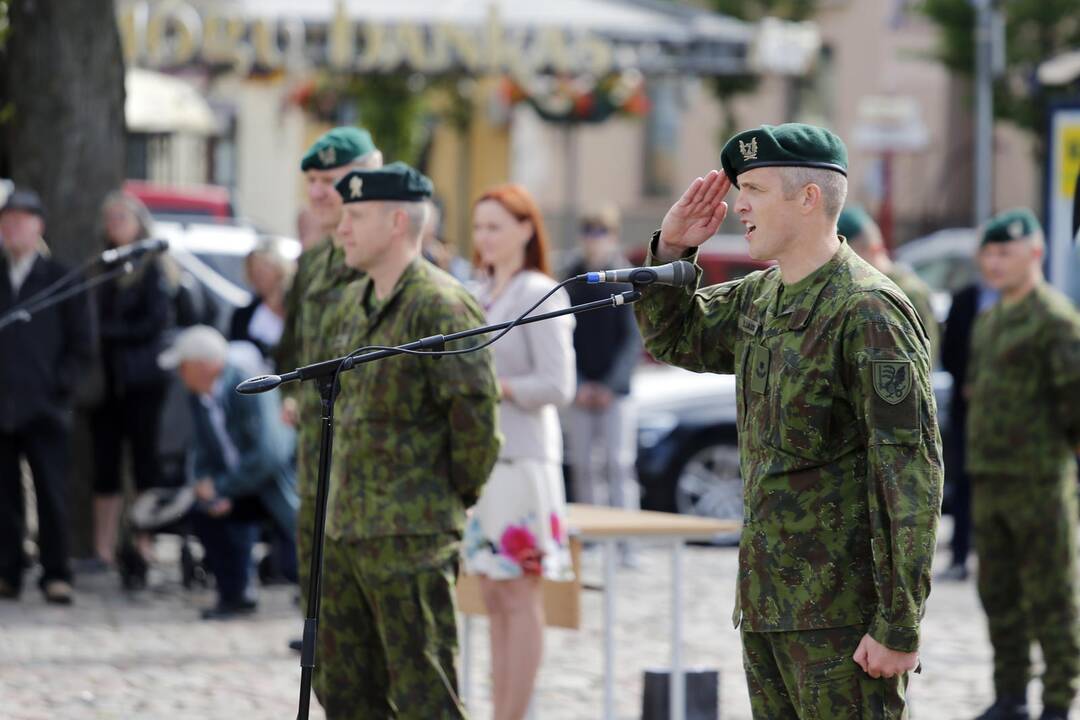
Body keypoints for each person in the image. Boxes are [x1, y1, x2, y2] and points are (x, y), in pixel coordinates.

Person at [634, 123, 942, 718]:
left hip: (842, 619)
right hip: (769, 606)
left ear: (808, 198)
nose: (738, 205)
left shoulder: (867, 310)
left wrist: (899, 623)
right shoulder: (762, 297)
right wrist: (672, 250)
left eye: (754, 189)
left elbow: (909, 473)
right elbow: (677, 336)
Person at [314, 162, 500, 718]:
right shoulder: (351, 305)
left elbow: (475, 422)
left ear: (397, 222)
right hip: (346, 530)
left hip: (411, 534)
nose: (341, 229)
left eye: (356, 217)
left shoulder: (441, 305)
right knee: (344, 693)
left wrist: (447, 501)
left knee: (425, 694)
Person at [462, 184, 576, 720]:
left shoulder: (541, 290)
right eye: (479, 226)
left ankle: (513, 713)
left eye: (496, 226)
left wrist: (496, 387)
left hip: (524, 461)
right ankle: (499, 709)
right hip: (482, 463)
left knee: (519, 596)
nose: (484, 237)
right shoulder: (477, 291)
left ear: (526, 229)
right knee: (490, 592)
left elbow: (558, 385)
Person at [966, 209, 1080, 720]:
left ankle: (1059, 698)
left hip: (1039, 481)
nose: (994, 263)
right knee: (999, 595)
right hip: (990, 479)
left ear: (1034, 254)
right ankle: (1010, 694)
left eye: (1004, 252)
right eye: (988, 253)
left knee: (1051, 597)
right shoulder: (989, 321)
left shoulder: (1055, 320)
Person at [273, 126, 381, 651]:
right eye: (311, 181)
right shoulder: (312, 263)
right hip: (317, 457)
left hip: (372, 462)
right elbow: (291, 352)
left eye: (330, 180)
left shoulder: (389, 259)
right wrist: (292, 396)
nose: (317, 192)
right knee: (319, 597)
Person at [157, 325, 298, 619]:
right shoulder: (198, 396)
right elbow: (200, 449)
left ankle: (316, 616)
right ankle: (235, 594)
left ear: (204, 366)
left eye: (183, 367)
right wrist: (204, 486)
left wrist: (223, 487)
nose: (180, 375)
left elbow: (269, 454)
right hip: (237, 485)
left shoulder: (250, 386)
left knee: (294, 561)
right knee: (203, 512)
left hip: (275, 488)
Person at [0, 188, 92, 604]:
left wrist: (60, 388)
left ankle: (57, 572)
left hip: (45, 405)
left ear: (38, 226)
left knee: (52, 492)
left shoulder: (62, 277)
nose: (12, 228)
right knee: (4, 495)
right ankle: (8, 570)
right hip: (3, 404)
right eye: (7, 220)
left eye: (21, 220)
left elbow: (82, 342)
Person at [88, 191, 173, 579]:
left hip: (141, 381)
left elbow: (153, 323)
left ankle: (144, 542)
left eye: (122, 217)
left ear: (138, 222)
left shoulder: (152, 266)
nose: (115, 225)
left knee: (144, 464)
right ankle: (102, 547)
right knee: (104, 465)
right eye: (110, 219)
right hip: (106, 383)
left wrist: (108, 333)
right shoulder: (104, 268)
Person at [560, 206, 642, 539]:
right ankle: (590, 537)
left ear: (614, 236)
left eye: (601, 232)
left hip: (616, 393)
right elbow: (563, 336)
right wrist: (578, 383)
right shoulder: (572, 278)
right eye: (588, 232)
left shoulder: (625, 277)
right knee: (584, 467)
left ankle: (626, 540)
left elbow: (632, 341)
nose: (594, 240)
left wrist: (610, 385)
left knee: (619, 465)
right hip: (580, 390)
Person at [938, 249, 998, 582]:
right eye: (991, 254)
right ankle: (961, 557)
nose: (996, 263)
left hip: (1010, 420)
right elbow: (949, 352)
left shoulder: (1024, 303)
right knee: (963, 483)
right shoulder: (964, 300)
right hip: (968, 411)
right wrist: (967, 383)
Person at [837, 204, 940, 363]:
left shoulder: (908, 292)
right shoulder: (854, 292)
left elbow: (923, 361)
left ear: (874, 249)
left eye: (851, 257)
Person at [228, 237, 296, 367]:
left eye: (264, 267)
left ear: (278, 267)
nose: (258, 274)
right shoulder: (243, 315)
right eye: (253, 269)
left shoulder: (297, 306)